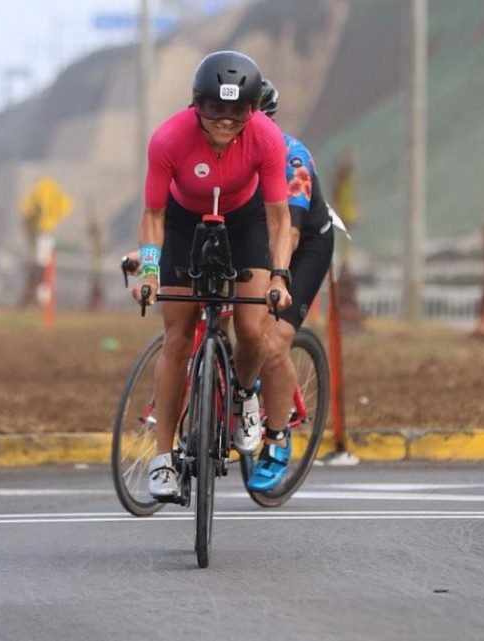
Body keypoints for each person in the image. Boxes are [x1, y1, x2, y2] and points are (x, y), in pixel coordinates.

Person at [131, 50, 293, 499]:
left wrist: (278, 276)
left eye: (237, 110)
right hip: (184, 219)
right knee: (178, 337)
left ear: (252, 109)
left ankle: (244, 396)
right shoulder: (169, 139)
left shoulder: (266, 138)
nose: (225, 120)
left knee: (252, 328)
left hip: (245, 221)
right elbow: (154, 214)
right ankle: (163, 457)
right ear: (196, 105)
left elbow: (279, 218)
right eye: (214, 109)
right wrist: (149, 271)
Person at [245, 78, 335, 491]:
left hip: (303, 245)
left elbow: (290, 233)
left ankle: (278, 438)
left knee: (273, 339)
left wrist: (273, 278)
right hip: (257, 241)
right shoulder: (225, 154)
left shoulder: (291, 158)